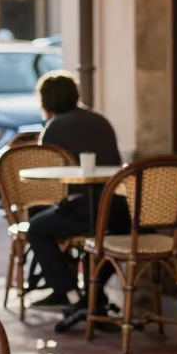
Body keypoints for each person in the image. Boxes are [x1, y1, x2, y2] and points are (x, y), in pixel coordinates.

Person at [27, 71, 129, 317]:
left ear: (46, 101)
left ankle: (70, 294)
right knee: (104, 241)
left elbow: (50, 184)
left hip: (85, 211)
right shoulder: (100, 120)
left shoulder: (54, 128)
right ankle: (95, 291)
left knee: (36, 228)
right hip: (119, 209)